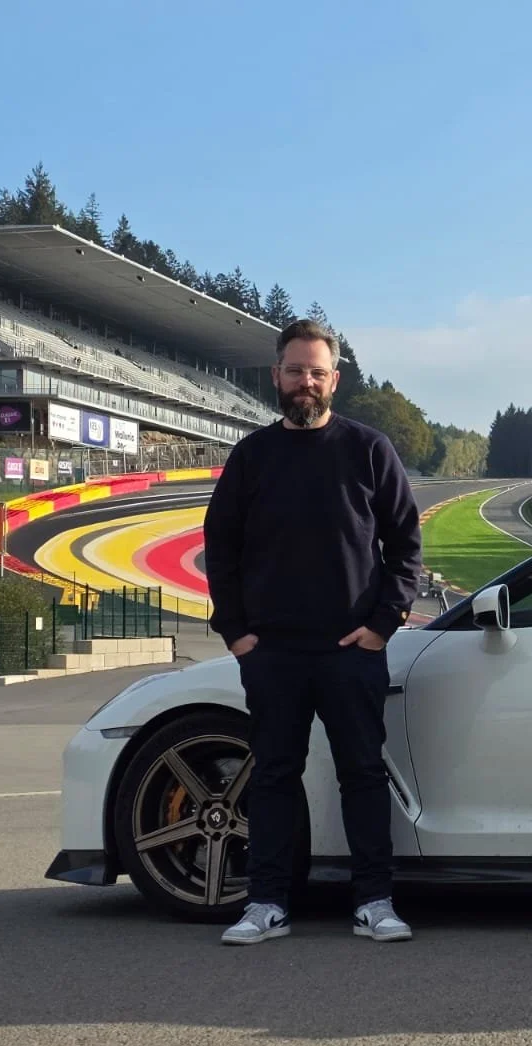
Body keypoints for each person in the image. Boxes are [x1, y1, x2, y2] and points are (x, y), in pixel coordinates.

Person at [202, 318, 422, 946]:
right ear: (276, 376)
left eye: (317, 372)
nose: (305, 382)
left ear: (335, 379)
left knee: (363, 774)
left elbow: (406, 545)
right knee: (273, 775)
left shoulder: (368, 449)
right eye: (295, 370)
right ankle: (266, 903)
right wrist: (238, 634)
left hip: (351, 650)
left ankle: (374, 900)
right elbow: (221, 549)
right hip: (273, 652)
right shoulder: (252, 456)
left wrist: (382, 626)